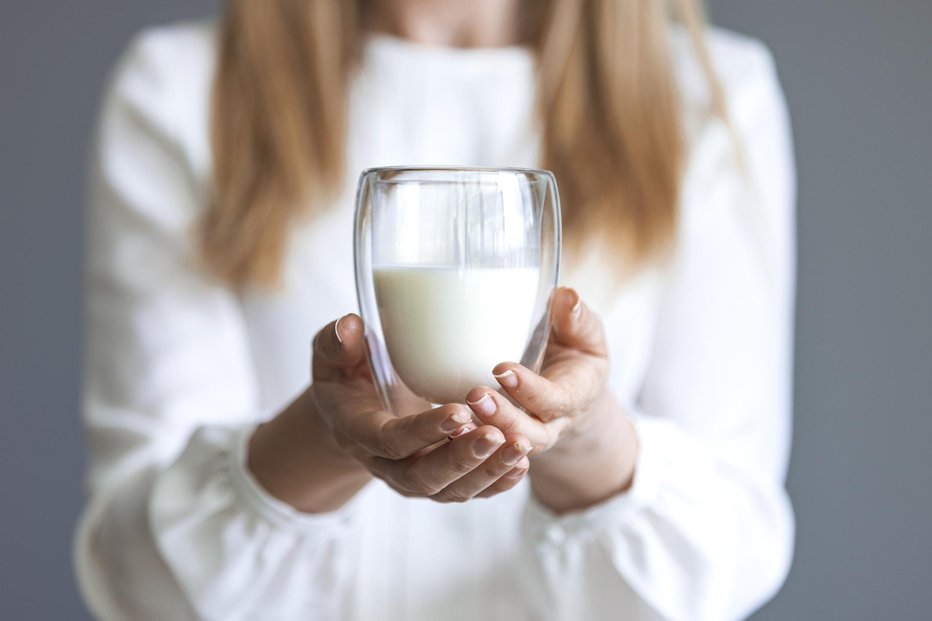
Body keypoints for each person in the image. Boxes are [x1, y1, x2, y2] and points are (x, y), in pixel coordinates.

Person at [75, 0, 796, 619]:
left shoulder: (708, 98)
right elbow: (138, 578)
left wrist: (578, 436)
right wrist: (330, 436)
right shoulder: (184, 91)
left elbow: (726, 562)